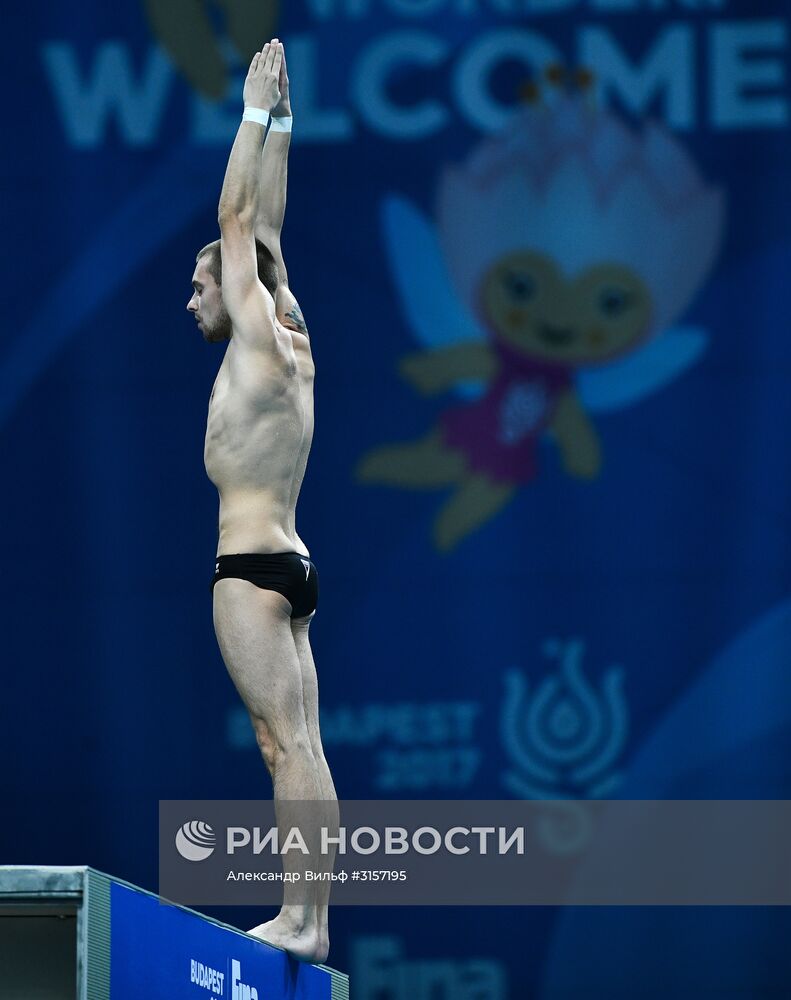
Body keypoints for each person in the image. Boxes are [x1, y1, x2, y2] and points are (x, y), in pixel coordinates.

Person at [186, 39, 337, 964]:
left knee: (282, 745)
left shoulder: (254, 329)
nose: (191, 297)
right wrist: (281, 123)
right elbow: (267, 230)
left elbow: (240, 217)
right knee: (303, 743)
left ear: (234, 288)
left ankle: (302, 919)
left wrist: (247, 113)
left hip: (249, 569)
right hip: (294, 564)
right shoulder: (289, 332)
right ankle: (312, 918)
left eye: (200, 282)